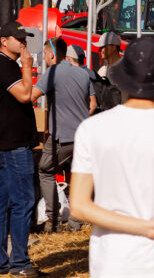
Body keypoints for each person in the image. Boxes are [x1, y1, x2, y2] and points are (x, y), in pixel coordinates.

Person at [68, 37, 154, 278]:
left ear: (122, 78)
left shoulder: (92, 129)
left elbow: (78, 207)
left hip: (110, 262)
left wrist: (144, 227)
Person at [33, 37, 96, 233]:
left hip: (63, 135)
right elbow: (93, 104)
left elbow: (31, 95)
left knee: (45, 170)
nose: (44, 58)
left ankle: (53, 220)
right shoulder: (83, 73)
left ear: (52, 54)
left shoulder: (52, 72)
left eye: (45, 54)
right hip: (84, 135)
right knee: (78, 175)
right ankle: (76, 223)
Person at [0, 21, 41, 277]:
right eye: (18, 38)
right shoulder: (5, 65)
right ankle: (20, 264)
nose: (23, 42)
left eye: (25, 37)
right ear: (4, 41)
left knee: (4, 204)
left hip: (8, 144)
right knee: (23, 202)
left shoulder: (8, 64)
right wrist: (27, 67)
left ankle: (5, 263)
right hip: (14, 146)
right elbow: (25, 95)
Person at [94, 32, 125, 113]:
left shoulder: (126, 68)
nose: (100, 50)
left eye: (102, 47)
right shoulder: (102, 70)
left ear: (113, 47)